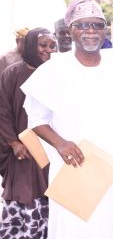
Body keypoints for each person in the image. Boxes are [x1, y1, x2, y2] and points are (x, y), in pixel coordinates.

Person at [21, 0, 113, 239]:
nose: (91, 32)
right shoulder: (53, 70)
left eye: (97, 25)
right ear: (70, 31)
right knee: (73, 229)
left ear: (105, 30)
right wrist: (61, 143)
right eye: (83, 25)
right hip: (74, 168)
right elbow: (36, 120)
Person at [0, 27, 56, 238]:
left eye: (52, 46)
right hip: (22, 149)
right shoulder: (13, 73)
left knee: (50, 194)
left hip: (50, 146)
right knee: (23, 193)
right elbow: (2, 110)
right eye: (43, 45)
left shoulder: (55, 74)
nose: (48, 50)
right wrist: (13, 143)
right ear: (31, 45)